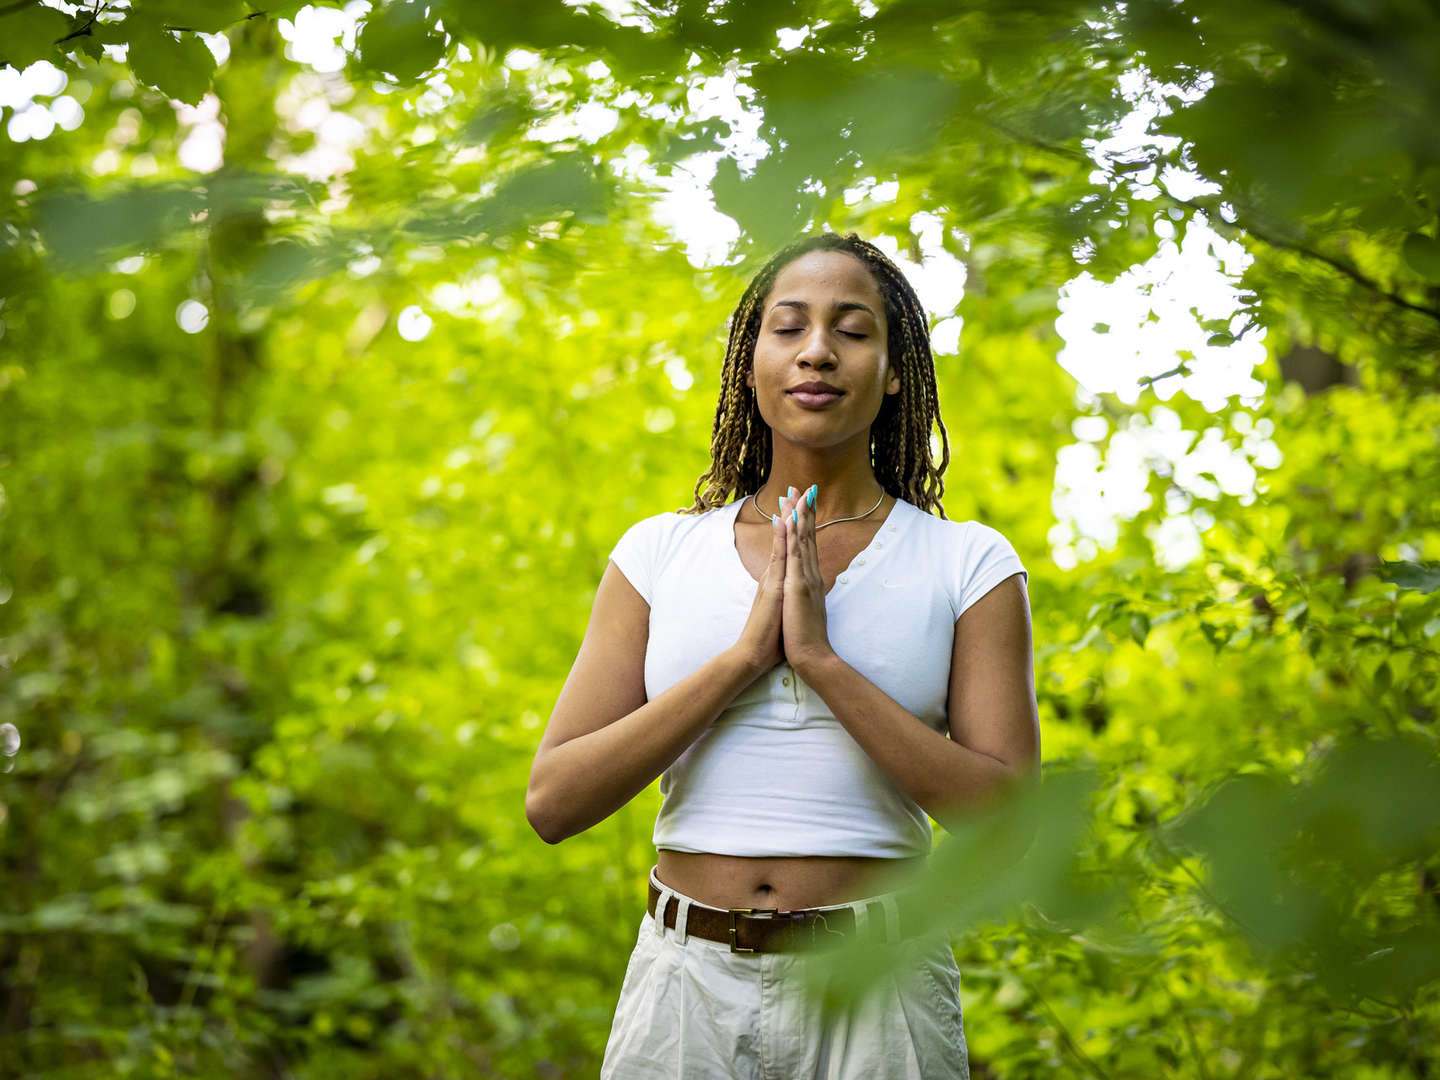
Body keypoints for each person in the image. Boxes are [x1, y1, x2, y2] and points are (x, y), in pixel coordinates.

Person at [525, 232, 1040, 1079]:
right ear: (750, 360)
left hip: (880, 985)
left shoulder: (968, 563)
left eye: (853, 330)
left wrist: (823, 665)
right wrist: (742, 661)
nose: (817, 353)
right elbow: (553, 802)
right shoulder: (658, 553)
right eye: (788, 326)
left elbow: (1008, 820)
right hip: (684, 984)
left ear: (896, 367)